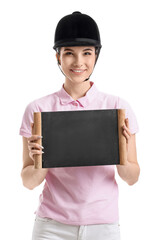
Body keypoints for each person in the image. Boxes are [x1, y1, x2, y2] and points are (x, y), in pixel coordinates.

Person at [20, 11, 140, 240]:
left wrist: (120, 151)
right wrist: (41, 159)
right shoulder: (38, 110)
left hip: (103, 226)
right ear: (57, 57)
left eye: (87, 53)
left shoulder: (117, 107)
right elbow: (28, 182)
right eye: (69, 53)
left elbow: (132, 177)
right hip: (51, 226)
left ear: (96, 55)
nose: (78, 62)